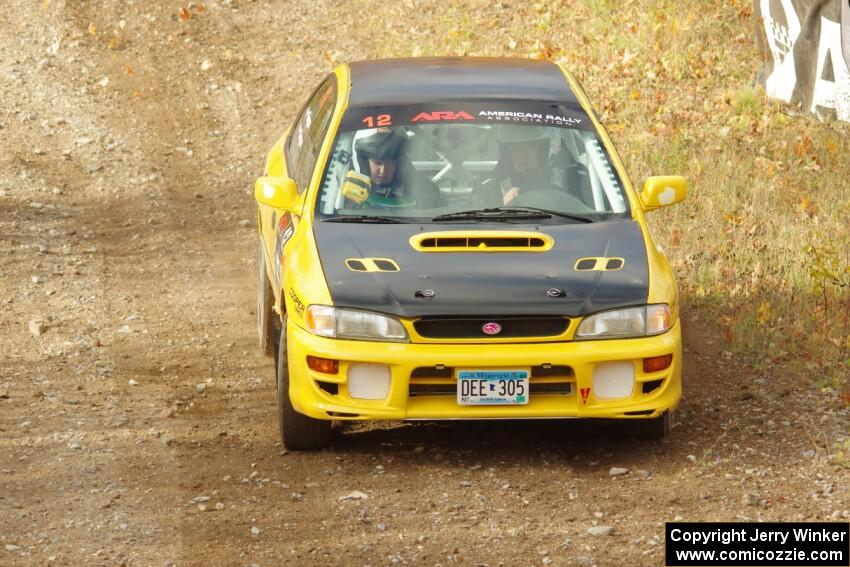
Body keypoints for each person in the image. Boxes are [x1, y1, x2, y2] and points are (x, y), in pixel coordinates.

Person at [473, 125, 594, 208]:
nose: (521, 155)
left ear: (544, 150)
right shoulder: (491, 186)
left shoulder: (574, 178)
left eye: (528, 147)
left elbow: (592, 218)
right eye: (515, 149)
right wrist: (502, 207)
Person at [342, 128, 441, 210]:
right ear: (363, 161)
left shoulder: (422, 191)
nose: (383, 171)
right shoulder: (343, 193)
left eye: (390, 163)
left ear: (400, 163)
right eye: (377, 163)